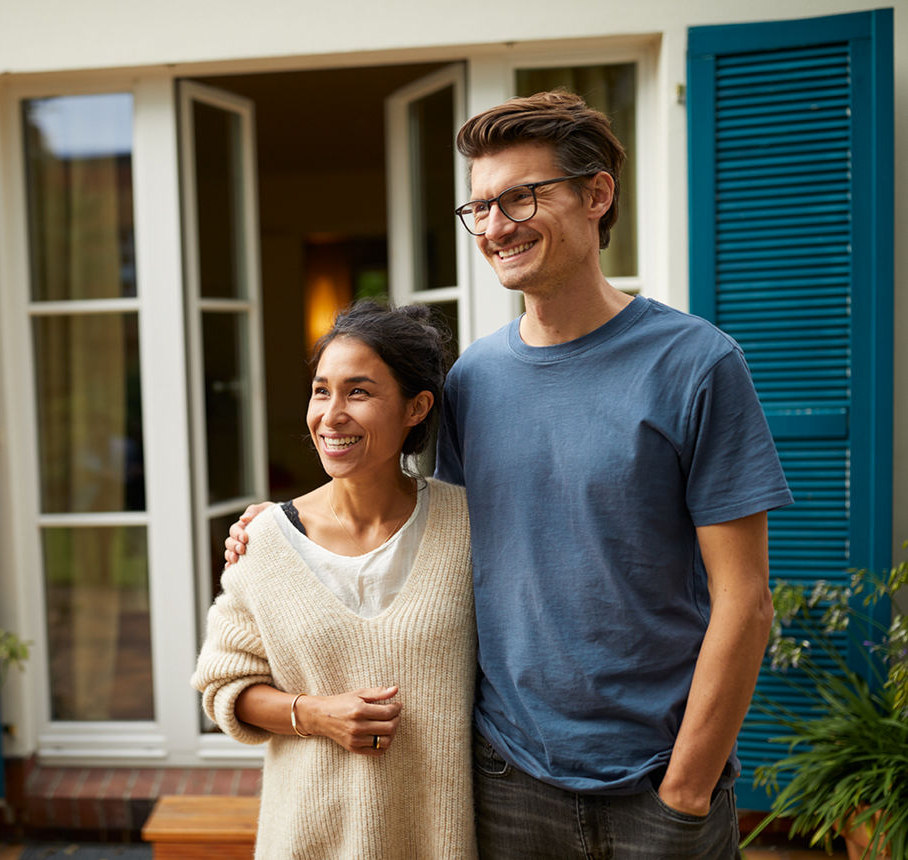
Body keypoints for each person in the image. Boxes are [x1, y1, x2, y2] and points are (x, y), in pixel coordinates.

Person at [228, 91, 793, 859]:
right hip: (504, 783)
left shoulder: (696, 365)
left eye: (520, 197)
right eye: (481, 207)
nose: (494, 227)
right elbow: (408, 519)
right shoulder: (474, 381)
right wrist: (282, 524)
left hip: (658, 785)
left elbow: (745, 601)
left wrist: (686, 792)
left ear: (597, 195)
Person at [193, 301, 476, 859]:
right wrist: (314, 714)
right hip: (307, 840)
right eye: (322, 391)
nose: (332, 414)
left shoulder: (467, 526)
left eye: (360, 392)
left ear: (416, 407)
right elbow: (224, 686)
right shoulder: (266, 540)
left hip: (439, 839)